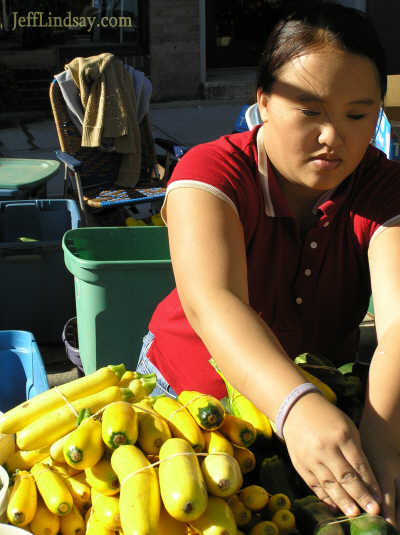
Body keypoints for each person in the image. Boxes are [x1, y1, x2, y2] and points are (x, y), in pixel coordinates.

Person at [136, 1, 400, 527]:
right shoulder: (211, 172)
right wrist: (295, 405)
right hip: (184, 407)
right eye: (310, 111)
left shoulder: (383, 187)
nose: (333, 138)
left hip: (321, 414)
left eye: (357, 115)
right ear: (263, 102)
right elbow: (214, 299)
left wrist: (383, 441)